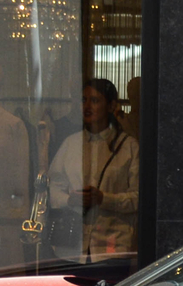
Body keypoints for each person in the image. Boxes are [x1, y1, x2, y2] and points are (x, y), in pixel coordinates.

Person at [46, 77, 138, 261]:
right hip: (70, 249)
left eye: (95, 100)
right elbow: (53, 188)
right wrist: (69, 199)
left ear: (111, 106)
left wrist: (104, 199)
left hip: (112, 250)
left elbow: (139, 197)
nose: (87, 106)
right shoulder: (70, 144)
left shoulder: (129, 147)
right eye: (84, 100)